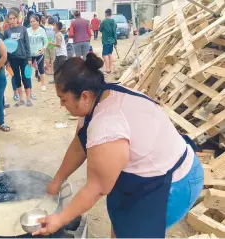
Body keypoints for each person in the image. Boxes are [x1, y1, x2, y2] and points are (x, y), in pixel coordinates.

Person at [32, 54, 204, 237]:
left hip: (174, 183)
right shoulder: (97, 96)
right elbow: (79, 144)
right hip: (146, 176)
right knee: (121, 226)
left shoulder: (107, 125)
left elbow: (96, 188)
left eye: (63, 99)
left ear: (83, 96)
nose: (60, 105)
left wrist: (60, 219)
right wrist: (58, 180)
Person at [4, 10, 33, 107]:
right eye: (10, 18)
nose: (12, 20)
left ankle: (28, 98)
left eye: (14, 18)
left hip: (24, 58)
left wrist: (29, 58)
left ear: (17, 18)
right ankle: (21, 99)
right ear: (8, 20)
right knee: (16, 78)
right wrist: (7, 61)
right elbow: (6, 48)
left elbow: (27, 44)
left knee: (26, 77)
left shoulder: (23, 29)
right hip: (13, 59)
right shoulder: (7, 32)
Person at [27, 15, 48, 92]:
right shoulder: (27, 30)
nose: (32, 23)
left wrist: (43, 49)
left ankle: (43, 85)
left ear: (38, 21)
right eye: (31, 21)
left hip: (39, 53)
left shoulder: (41, 30)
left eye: (34, 21)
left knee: (41, 69)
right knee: (28, 70)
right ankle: (28, 86)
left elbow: (46, 41)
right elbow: (25, 42)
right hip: (29, 54)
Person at [100, 9, 117, 74]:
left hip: (106, 41)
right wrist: (115, 42)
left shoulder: (104, 22)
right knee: (110, 54)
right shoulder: (113, 22)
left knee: (105, 55)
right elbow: (115, 33)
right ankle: (110, 68)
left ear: (106, 14)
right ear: (111, 14)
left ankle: (107, 69)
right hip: (112, 41)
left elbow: (100, 29)